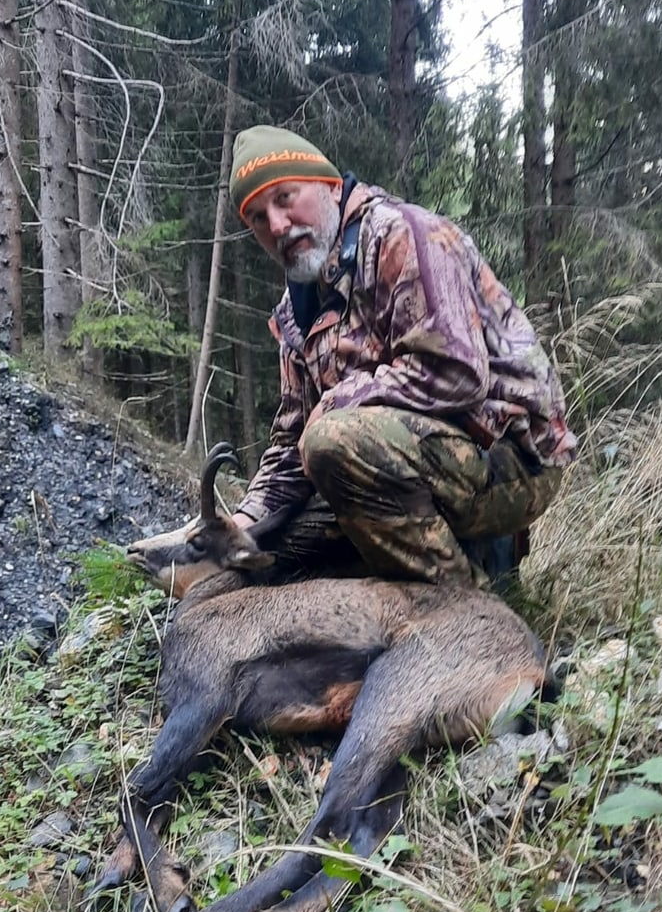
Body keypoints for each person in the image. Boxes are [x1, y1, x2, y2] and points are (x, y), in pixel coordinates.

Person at [226, 125, 577, 588]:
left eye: (285, 197)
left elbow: (457, 372)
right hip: (406, 459)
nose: (276, 225)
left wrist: (339, 400)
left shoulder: (403, 235)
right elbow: (292, 440)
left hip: (510, 459)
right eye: (256, 217)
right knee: (274, 549)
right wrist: (237, 526)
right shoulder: (294, 312)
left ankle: (461, 611)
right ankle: (473, 566)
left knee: (332, 442)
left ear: (330, 184)